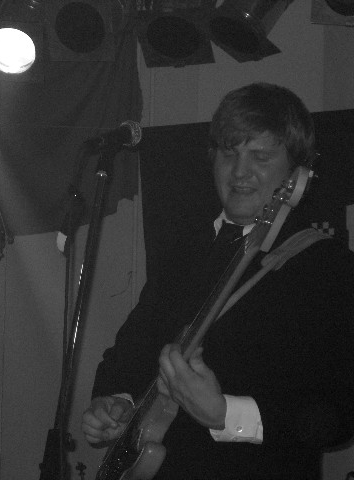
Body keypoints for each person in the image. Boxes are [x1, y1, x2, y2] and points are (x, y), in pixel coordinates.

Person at [81, 83, 354, 479]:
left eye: (260, 156)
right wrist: (115, 401)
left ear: (297, 175)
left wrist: (226, 414)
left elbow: (340, 412)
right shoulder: (184, 251)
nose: (239, 172)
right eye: (229, 152)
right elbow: (130, 350)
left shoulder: (327, 266)